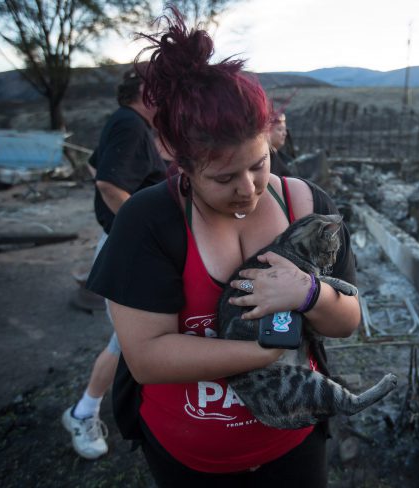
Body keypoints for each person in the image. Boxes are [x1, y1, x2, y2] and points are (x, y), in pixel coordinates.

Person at [86, 9, 360, 487]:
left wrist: (310, 295)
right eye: (224, 177)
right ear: (176, 156)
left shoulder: (308, 206)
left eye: (259, 163)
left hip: (293, 446)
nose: (249, 189)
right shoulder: (148, 222)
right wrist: (270, 350)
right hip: (190, 461)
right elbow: (147, 358)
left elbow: (348, 322)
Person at [62, 66, 168, 460]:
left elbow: (95, 166)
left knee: (129, 339)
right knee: (128, 339)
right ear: (145, 92)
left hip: (123, 243)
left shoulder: (126, 124)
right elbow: (108, 183)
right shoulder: (131, 126)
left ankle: (101, 409)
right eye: (160, 89)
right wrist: (142, 231)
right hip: (128, 247)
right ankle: (83, 412)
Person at [268, 110, 293, 177]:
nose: (285, 133)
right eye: (279, 129)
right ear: (267, 131)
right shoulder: (265, 158)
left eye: (285, 130)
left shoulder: (285, 159)